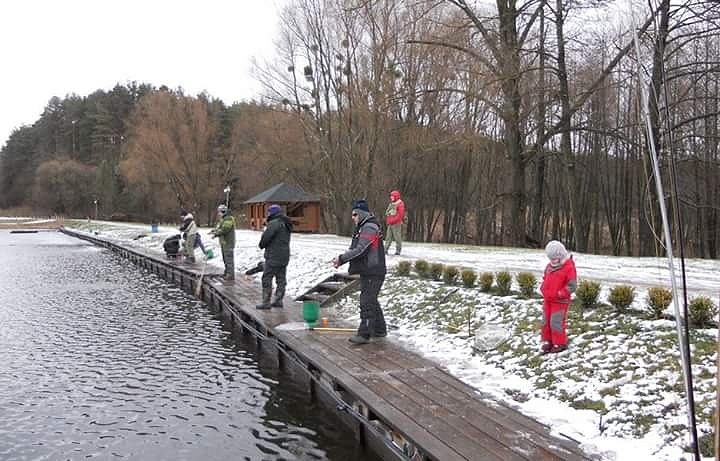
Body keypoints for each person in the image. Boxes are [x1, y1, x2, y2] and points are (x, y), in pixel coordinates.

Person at [332, 199, 387, 345]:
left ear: (361, 214)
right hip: (369, 270)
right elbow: (355, 248)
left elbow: (361, 249)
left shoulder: (369, 227)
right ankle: (380, 330)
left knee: (366, 301)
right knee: (371, 299)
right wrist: (340, 258)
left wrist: (342, 258)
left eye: (355, 214)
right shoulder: (362, 227)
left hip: (374, 270)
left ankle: (364, 334)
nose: (352, 217)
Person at [539, 240, 577, 354]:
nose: (552, 261)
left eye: (555, 259)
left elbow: (572, 285)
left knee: (555, 322)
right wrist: (543, 288)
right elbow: (545, 278)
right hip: (548, 299)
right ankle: (549, 341)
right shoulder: (549, 267)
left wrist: (561, 293)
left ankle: (560, 343)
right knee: (546, 321)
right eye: (551, 259)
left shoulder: (569, 267)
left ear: (561, 255)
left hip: (560, 301)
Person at [256, 204, 293, 309]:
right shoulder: (286, 223)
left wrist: (261, 245)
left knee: (267, 278)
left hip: (273, 256)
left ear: (272, 213)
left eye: (268, 212)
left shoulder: (274, 223)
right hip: (284, 256)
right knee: (281, 279)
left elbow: (265, 239)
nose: (267, 214)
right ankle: (278, 300)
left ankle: (266, 302)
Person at [210, 204, 236, 281]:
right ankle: (227, 272)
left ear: (223, 211)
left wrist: (216, 233)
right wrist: (214, 231)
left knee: (229, 259)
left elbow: (225, 229)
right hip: (224, 243)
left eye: (219, 212)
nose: (218, 214)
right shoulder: (223, 219)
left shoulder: (228, 219)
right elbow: (220, 227)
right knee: (225, 259)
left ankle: (230, 275)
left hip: (228, 243)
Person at [384, 190, 405, 255]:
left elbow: (400, 215)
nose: (391, 197)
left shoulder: (400, 204)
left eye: (392, 196)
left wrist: (394, 219)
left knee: (397, 237)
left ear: (396, 197)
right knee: (388, 237)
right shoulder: (391, 204)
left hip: (396, 224)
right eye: (391, 196)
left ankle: (398, 251)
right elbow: (387, 212)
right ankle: (385, 250)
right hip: (390, 223)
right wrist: (389, 216)